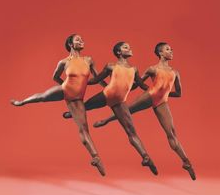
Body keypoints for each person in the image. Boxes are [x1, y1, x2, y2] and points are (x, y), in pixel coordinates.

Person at [92, 42, 196, 180]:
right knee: (128, 110)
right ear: (160, 53)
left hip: (161, 101)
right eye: (167, 49)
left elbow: (178, 94)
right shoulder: (152, 69)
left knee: (171, 133)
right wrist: (117, 87)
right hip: (149, 95)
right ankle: (106, 120)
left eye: (171, 49)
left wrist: (164, 93)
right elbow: (137, 83)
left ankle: (186, 162)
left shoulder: (175, 72)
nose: (171, 51)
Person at [11, 34, 106, 176]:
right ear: (71, 44)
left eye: (82, 39)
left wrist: (107, 86)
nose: (81, 41)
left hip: (77, 99)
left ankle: (96, 158)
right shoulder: (64, 62)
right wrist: (65, 85)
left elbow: (97, 78)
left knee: (84, 129)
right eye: (78, 39)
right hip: (65, 89)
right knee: (43, 96)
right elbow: (55, 77)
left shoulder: (88, 60)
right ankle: (22, 102)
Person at [63, 42, 158, 175]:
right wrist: (80, 80)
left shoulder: (134, 70)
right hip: (108, 94)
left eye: (129, 47)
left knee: (131, 132)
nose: (129, 48)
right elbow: (97, 80)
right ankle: (71, 113)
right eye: (126, 47)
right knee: (85, 107)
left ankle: (145, 157)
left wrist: (155, 89)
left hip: (119, 100)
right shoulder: (111, 66)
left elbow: (140, 85)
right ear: (119, 52)